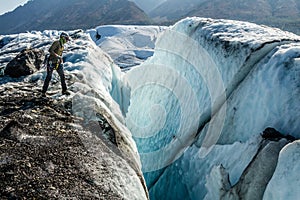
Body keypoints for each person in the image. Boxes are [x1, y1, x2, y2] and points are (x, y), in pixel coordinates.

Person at [42, 32, 70, 96]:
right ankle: (43, 92)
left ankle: (64, 90)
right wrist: (57, 56)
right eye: (66, 39)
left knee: (62, 76)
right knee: (49, 77)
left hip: (58, 63)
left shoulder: (62, 45)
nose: (67, 40)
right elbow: (50, 50)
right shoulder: (57, 43)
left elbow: (60, 54)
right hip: (51, 62)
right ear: (63, 37)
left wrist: (60, 59)